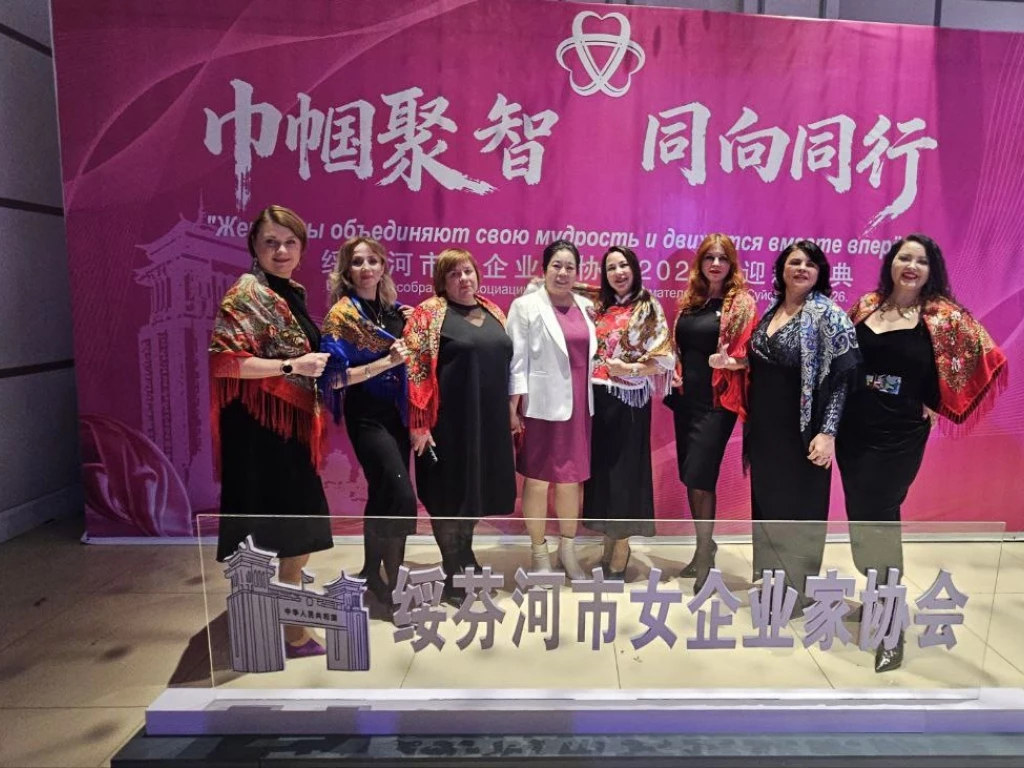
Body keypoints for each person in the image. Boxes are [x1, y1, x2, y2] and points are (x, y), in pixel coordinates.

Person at [837, 234, 1007, 673]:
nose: (911, 266)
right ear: (891, 263)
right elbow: (843, 359)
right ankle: (877, 597)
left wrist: (938, 400)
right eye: (904, 257)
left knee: (880, 518)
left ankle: (891, 625)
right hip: (853, 431)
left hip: (898, 436)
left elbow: (987, 358)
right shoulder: (867, 305)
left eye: (921, 260)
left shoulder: (943, 316)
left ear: (932, 270)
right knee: (861, 516)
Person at [209, 204, 332, 658]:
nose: (281, 251)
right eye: (271, 243)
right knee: (267, 531)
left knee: (297, 527)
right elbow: (225, 363)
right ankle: (285, 629)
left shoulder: (291, 292)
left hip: (289, 430)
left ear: (301, 247)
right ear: (254, 247)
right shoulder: (245, 295)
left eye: (290, 242)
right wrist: (291, 366)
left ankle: (280, 617)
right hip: (257, 432)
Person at [745, 240, 860, 613]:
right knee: (769, 507)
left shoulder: (828, 314)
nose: (802, 268)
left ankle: (798, 591)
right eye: (795, 262)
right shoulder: (773, 310)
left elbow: (842, 379)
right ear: (782, 269)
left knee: (800, 510)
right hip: (765, 432)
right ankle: (772, 584)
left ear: (819, 272)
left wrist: (828, 433)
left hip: (804, 433)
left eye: (810, 263)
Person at [404, 249, 517, 607]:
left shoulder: (494, 311)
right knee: (448, 497)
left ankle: (465, 558)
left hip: (488, 424)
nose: (464, 279)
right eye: (454, 274)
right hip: (447, 425)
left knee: (474, 495)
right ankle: (454, 572)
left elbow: (507, 365)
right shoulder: (428, 315)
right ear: (442, 281)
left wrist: (512, 410)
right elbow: (413, 371)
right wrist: (419, 423)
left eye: (468, 271)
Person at [320, 236, 414, 620]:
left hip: (399, 417)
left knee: (382, 494)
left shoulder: (395, 314)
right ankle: (392, 587)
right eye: (357, 262)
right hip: (367, 418)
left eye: (373, 260)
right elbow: (333, 379)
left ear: (383, 266)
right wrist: (385, 363)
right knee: (399, 494)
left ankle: (372, 573)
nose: (366, 268)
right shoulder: (341, 316)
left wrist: (414, 326)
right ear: (347, 270)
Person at [669, 234, 757, 592]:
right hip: (685, 401)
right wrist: (673, 368)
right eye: (709, 258)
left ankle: (705, 555)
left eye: (722, 258)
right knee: (691, 477)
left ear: (731, 263)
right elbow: (679, 347)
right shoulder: (691, 301)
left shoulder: (741, 304)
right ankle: (704, 545)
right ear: (700, 263)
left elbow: (752, 356)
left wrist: (731, 363)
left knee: (702, 476)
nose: (715, 264)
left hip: (717, 404)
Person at [582, 246, 675, 580]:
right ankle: (609, 538)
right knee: (603, 474)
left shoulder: (648, 307)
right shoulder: (601, 307)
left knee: (624, 474)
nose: (618, 272)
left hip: (630, 402)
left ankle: (621, 547)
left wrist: (631, 369)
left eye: (623, 265)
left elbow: (664, 360)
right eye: (611, 268)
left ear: (634, 268)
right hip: (598, 400)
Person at [507, 239, 598, 581]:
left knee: (571, 481)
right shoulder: (525, 306)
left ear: (578, 272)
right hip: (540, 407)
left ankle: (568, 552)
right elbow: (516, 361)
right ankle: (538, 553)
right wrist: (513, 407)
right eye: (556, 265)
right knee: (537, 481)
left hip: (580, 408)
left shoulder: (587, 307)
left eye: (569, 267)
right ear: (544, 269)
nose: (563, 272)